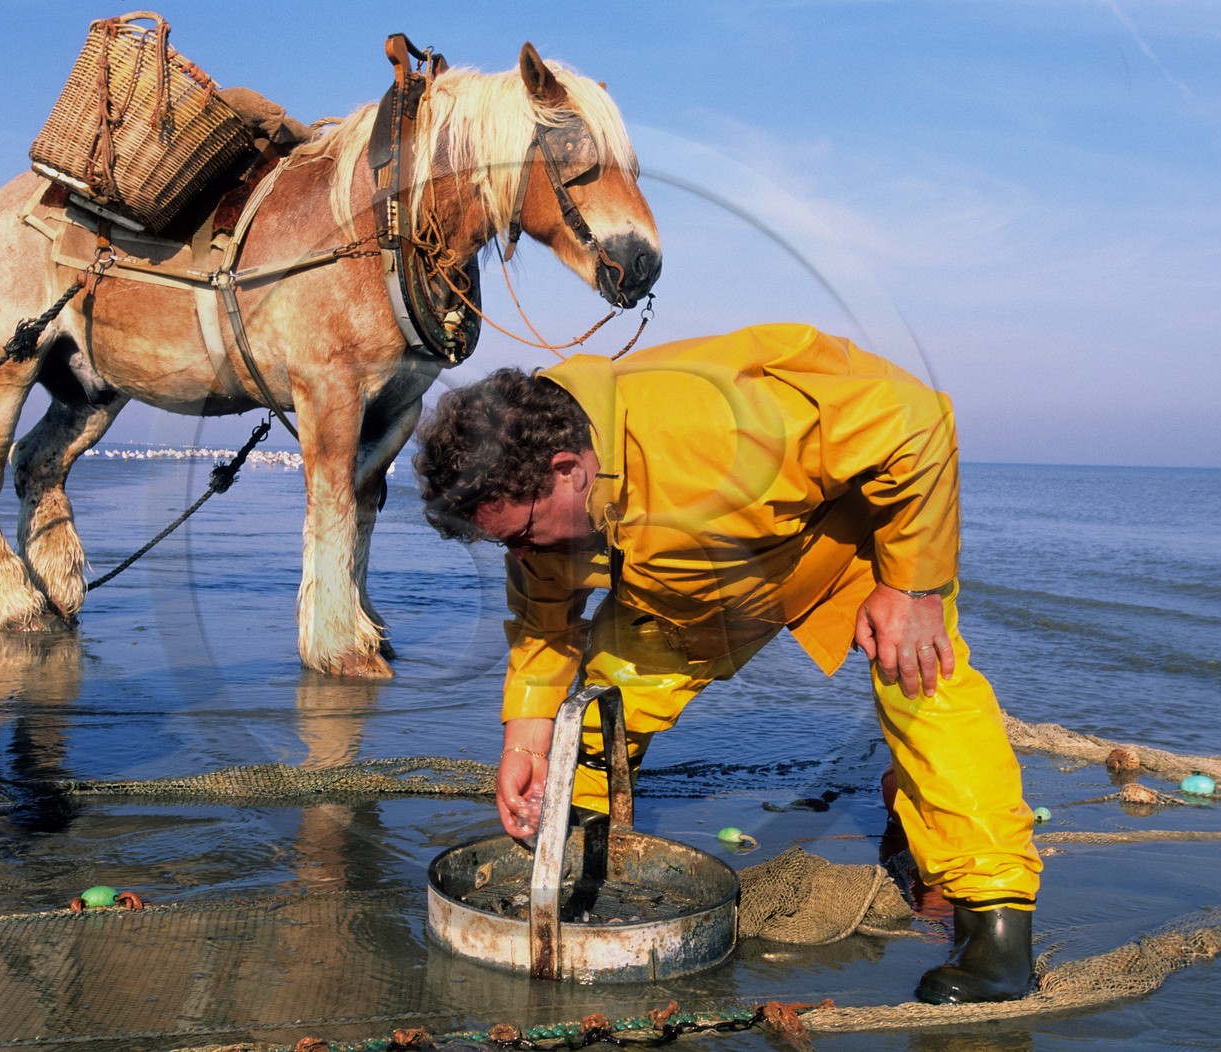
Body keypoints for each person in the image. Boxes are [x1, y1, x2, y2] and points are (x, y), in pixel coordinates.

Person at [411, 322, 1041, 1004]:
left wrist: (912, 587)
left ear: (569, 470)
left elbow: (914, 424)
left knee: (924, 685)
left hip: (841, 553)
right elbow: (543, 623)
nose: (520, 556)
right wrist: (525, 739)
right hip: (686, 601)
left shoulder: (719, 423)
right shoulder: (544, 528)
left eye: (523, 536)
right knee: (591, 722)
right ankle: (575, 866)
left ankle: (997, 935)